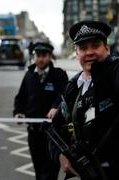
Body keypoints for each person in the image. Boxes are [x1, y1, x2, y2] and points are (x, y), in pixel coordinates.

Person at [50, 20, 119, 180]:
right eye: (83, 48)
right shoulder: (73, 87)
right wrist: (60, 156)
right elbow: (55, 128)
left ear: (107, 49)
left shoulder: (114, 71)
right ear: (76, 53)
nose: (89, 52)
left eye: (95, 46)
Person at [13, 41, 68, 180]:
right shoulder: (29, 75)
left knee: (49, 171)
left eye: (44, 55)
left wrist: (56, 106)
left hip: (52, 133)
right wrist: (18, 112)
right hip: (34, 131)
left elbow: (65, 94)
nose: (40, 58)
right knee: (38, 169)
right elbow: (21, 97)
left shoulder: (59, 75)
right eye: (38, 55)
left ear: (50, 57)